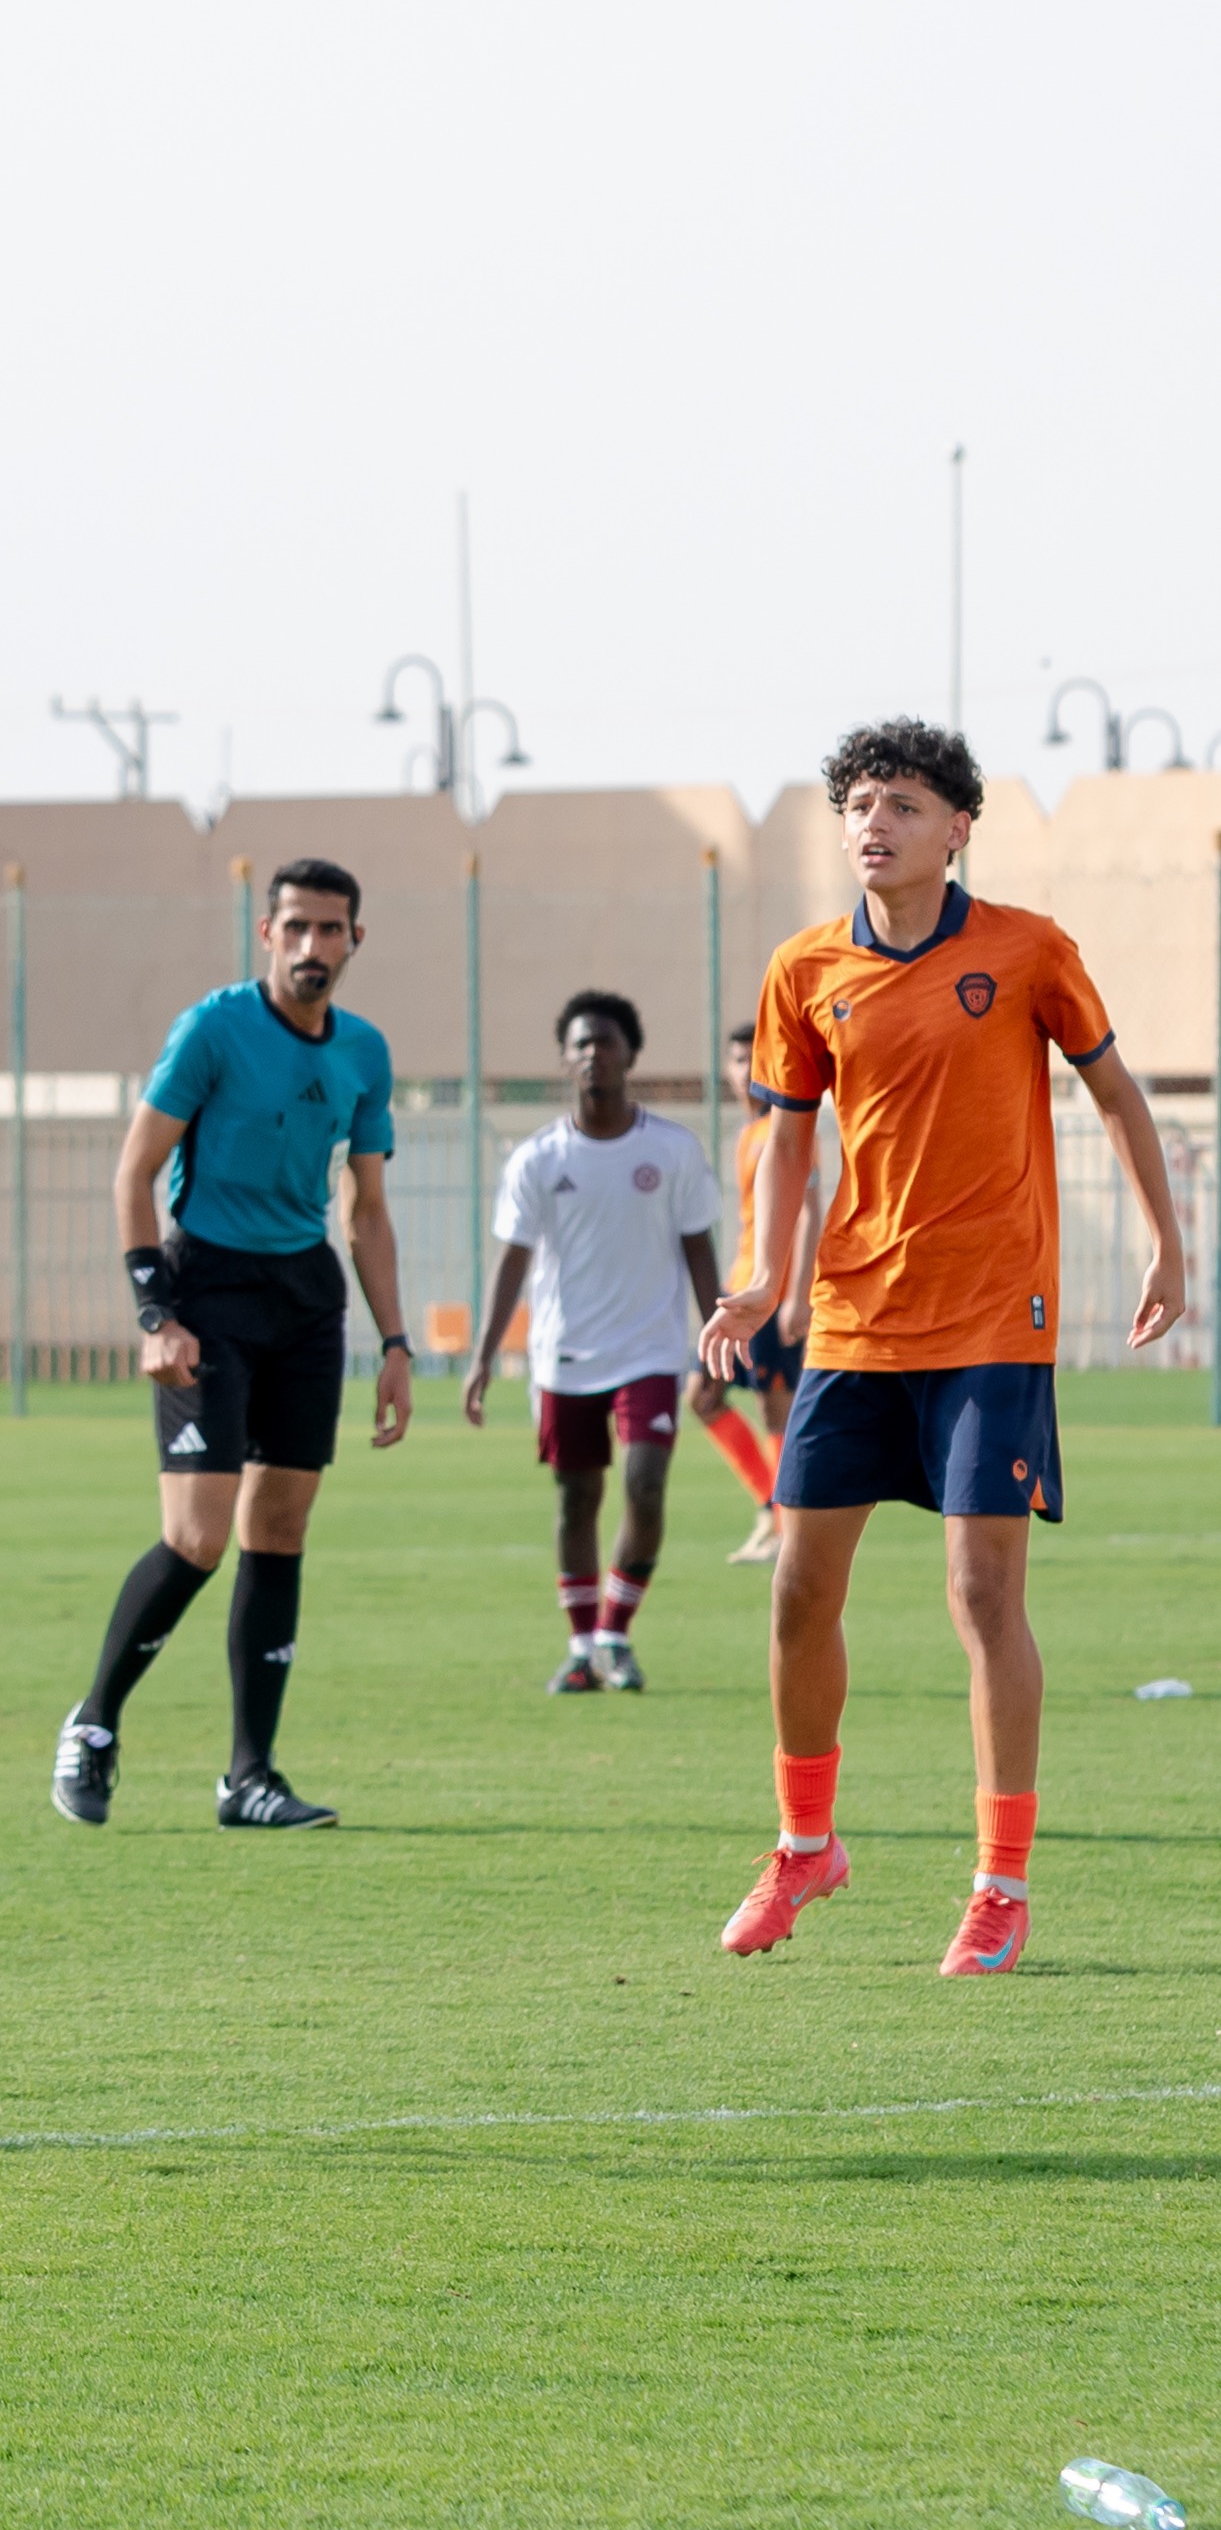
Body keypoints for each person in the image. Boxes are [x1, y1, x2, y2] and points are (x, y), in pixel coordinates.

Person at [705, 720, 1188, 1977]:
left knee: (980, 1597)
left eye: (904, 803)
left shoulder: (1026, 951)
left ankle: (999, 1885)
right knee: (797, 1590)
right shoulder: (803, 968)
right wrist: (763, 1277)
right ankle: (804, 1844)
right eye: (858, 802)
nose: (874, 822)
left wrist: (1166, 1245)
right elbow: (786, 1141)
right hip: (854, 1321)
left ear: (957, 826)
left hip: (991, 1318)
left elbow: (1114, 1092)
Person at [55, 862, 414, 1831]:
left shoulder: (363, 1053)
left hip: (303, 1300)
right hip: (205, 1292)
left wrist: (393, 1342)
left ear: (353, 942)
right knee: (197, 1537)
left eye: (329, 930)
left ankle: (248, 1776)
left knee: (279, 1532)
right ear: (265, 934)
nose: (310, 947)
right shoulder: (212, 1029)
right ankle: (91, 1725)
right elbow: (133, 1173)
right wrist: (151, 1314)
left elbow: (366, 1209)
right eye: (293, 927)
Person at [460, 991, 726, 1693]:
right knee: (575, 1497)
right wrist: (483, 1356)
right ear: (564, 1059)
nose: (591, 1055)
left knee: (644, 1481)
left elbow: (699, 1249)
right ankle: (581, 1649)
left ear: (629, 1055)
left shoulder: (669, 1151)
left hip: (649, 1351)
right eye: (579, 1044)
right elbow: (511, 1261)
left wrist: (715, 1341)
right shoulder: (537, 1159)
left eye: (604, 1042)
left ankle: (615, 1632)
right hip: (564, 1355)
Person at [686, 1019, 819, 1564]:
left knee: (775, 1411)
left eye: (753, 1060)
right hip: (738, 1288)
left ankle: (787, 1530)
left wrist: (798, 1294)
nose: (745, 1071)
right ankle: (772, 1507)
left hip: (772, 1294)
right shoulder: (747, 1133)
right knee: (702, 1396)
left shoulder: (785, 1129)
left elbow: (812, 1210)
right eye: (737, 1060)